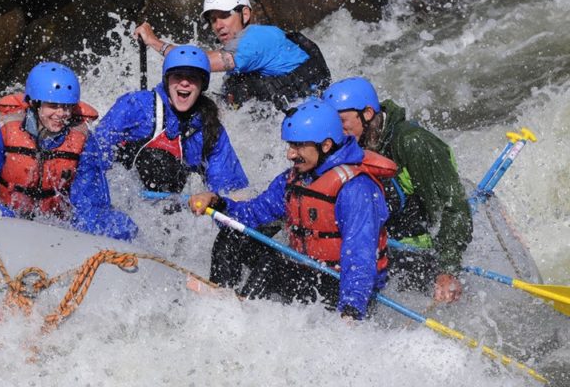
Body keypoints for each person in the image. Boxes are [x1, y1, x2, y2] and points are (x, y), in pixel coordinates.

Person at [188, 99, 396, 320]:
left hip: (341, 286)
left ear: (325, 146)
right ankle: (220, 301)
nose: (290, 154)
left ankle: (239, 319)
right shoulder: (295, 179)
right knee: (231, 234)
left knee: (271, 266)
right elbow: (252, 215)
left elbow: (359, 257)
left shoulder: (356, 188)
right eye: (290, 145)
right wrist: (218, 203)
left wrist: (350, 312)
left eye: (298, 146)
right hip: (308, 270)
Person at [323, 76, 473, 302]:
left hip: (416, 251)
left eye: (341, 121)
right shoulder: (348, 141)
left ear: (367, 114)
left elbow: (454, 208)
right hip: (372, 246)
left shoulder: (413, 142)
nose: (336, 130)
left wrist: (447, 270)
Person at [0, 62, 137, 240]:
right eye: (53, 105)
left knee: (119, 226)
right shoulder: (4, 131)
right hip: (9, 218)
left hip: (56, 225)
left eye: (67, 107)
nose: (61, 114)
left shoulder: (83, 141)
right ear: (35, 104)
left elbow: (89, 202)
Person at [134, 0, 331, 111]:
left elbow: (196, 61)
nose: (218, 26)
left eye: (225, 15)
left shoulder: (257, 38)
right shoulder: (239, 52)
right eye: (213, 20)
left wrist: (153, 41)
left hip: (310, 122)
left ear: (245, 14)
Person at [91, 44, 248, 197]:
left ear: (203, 85)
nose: (184, 83)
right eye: (178, 76)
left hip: (170, 208)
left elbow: (229, 191)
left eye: (192, 78)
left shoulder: (209, 129)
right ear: (167, 80)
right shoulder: (136, 106)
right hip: (124, 197)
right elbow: (95, 154)